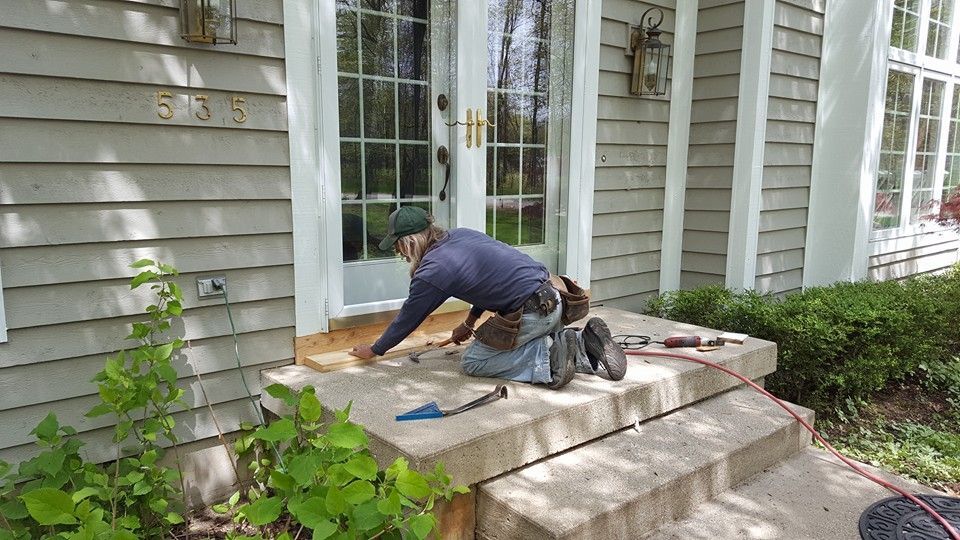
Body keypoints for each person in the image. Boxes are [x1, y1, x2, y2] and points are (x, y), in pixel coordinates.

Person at [348, 206, 627, 389]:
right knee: (518, 340)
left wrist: (375, 349)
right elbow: (488, 280)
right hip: (555, 296)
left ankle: (547, 354)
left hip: (532, 311)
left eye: (398, 245)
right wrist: (469, 323)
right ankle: (580, 344)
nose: (399, 253)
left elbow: (410, 316)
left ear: (409, 242)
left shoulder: (432, 270)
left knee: (474, 361)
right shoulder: (461, 236)